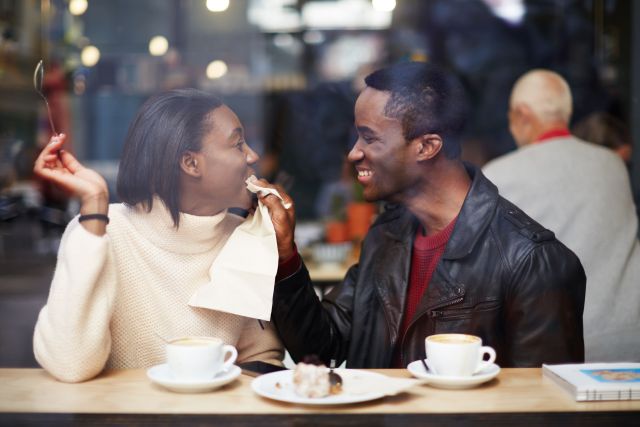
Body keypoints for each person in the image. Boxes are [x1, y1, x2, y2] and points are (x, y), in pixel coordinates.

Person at [259, 62, 585, 369]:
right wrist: (286, 256)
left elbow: (543, 407)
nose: (354, 152)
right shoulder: (387, 234)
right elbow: (322, 345)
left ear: (426, 147)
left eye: (369, 137)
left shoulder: (532, 261)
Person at [32, 89, 283, 382]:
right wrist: (95, 205)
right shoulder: (99, 229)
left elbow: (263, 359)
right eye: (238, 144)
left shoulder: (242, 237)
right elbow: (70, 365)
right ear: (191, 164)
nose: (252, 155)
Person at [482, 69, 640, 362]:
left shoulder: (500, 175)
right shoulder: (612, 165)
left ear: (523, 115)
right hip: (632, 340)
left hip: (561, 352)